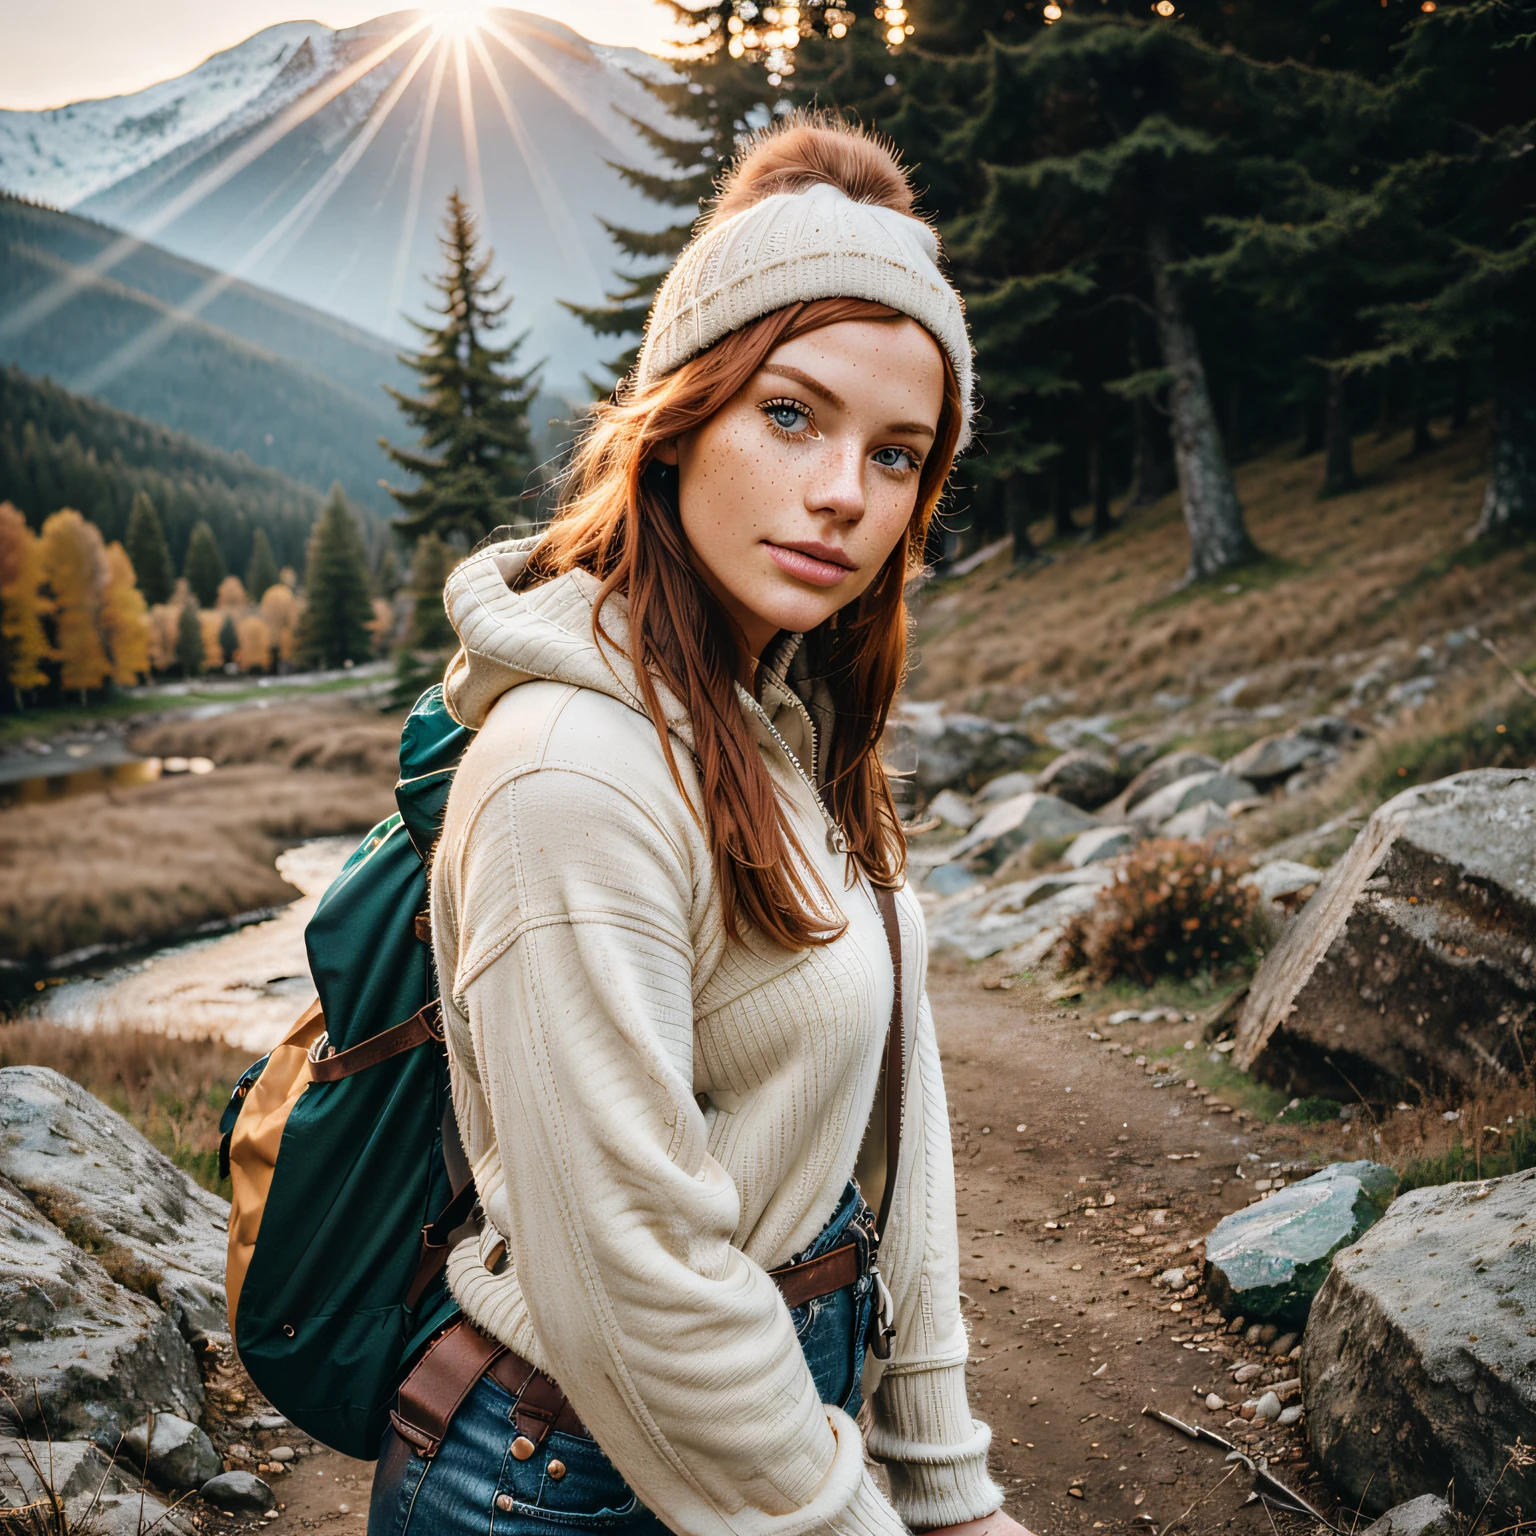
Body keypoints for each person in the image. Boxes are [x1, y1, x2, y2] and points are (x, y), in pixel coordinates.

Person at [370, 114, 1035, 1536]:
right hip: (567, 1481)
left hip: (757, 1425)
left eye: (899, 452)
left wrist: (945, 1480)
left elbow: (891, 1122)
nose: (845, 494)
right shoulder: (573, 777)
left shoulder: (778, 722)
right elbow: (632, 1276)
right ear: (678, 419)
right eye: (790, 415)